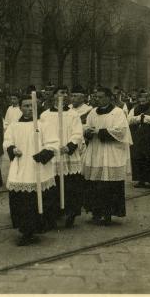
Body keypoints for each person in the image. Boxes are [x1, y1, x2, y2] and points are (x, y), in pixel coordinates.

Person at [3, 94, 58, 245]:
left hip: (37, 166)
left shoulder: (43, 124)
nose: (28, 109)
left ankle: (33, 230)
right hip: (20, 166)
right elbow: (7, 141)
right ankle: (24, 230)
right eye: (26, 106)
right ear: (20, 108)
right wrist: (13, 149)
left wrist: (42, 154)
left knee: (36, 200)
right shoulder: (14, 126)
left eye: (31, 106)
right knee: (21, 200)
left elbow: (53, 143)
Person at [82, 87, 132, 225]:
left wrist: (98, 131)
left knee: (109, 183)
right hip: (96, 151)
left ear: (109, 98)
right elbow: (87, 127)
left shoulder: (117, 112)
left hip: (111, 152)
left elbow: (121, 132)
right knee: (95, 183)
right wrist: (87, 132)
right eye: (96, 97)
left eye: (101, 97)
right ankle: (96, 212)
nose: (97, 99)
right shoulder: (92, 112)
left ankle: (109, 213)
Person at [40, 87, 85, 228]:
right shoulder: (45, 115)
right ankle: (53, 214)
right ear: (54, 96)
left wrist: (70, 146)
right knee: (53, 187)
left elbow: (78, 133)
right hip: (53, 155)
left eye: (67, 93)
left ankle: (71, 213)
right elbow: (42, 134)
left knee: (70, 185)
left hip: (67, 155)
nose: (65, 95)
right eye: (62, 93)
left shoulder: (73, 114)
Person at [128, 91, 150, 188]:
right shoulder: (134, 109)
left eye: (145, 100)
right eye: (141, 100)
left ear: (148, 99)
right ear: (139, 100)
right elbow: (128, 120)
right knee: (139, 158)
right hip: (138, 138)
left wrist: (145, 118)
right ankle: (141, 180)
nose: (142, 102)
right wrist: (139, 118)